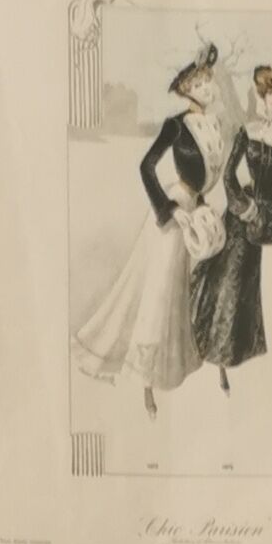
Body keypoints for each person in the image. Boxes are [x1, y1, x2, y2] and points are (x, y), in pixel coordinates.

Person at [73, 46, 226, 414]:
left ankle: (183, 364)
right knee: (158, 294)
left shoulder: (214, 126)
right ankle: (145, 384)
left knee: (187, 291)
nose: (207, 87)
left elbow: (205, 178)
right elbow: (147, 167)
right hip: (173, 217)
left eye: (208, 81)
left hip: (197, 211)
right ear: (187, 89)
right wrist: (171, 209)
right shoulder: (176, 125)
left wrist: (202, 210)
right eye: (199, 83)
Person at [193, 65, 272, 387]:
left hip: (264, 223)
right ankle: (213, 358)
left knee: (246, 292)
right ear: (261, 95)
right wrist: (246, 208)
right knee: (226, 285)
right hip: (242, 221)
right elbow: (229, 178)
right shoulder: (249, 130)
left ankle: (230, 357)